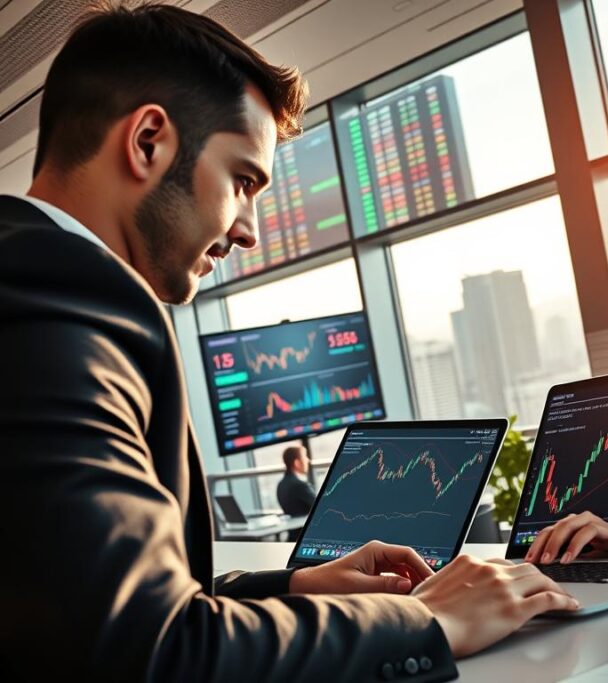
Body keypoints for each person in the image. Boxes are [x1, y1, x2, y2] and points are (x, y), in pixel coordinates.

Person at [0, 4, 577, 679]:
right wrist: (431, 620)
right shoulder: (57, 293)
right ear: (149, 140)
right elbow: (146, 649)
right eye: (242, 180)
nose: (248, 229)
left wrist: (299, 586)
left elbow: (73, 610)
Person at [277, 445, 316, 517]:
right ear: (297, 463)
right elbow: (319, 506)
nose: (308, 460)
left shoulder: (281, 484)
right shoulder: (300, 485)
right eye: (305, 457)